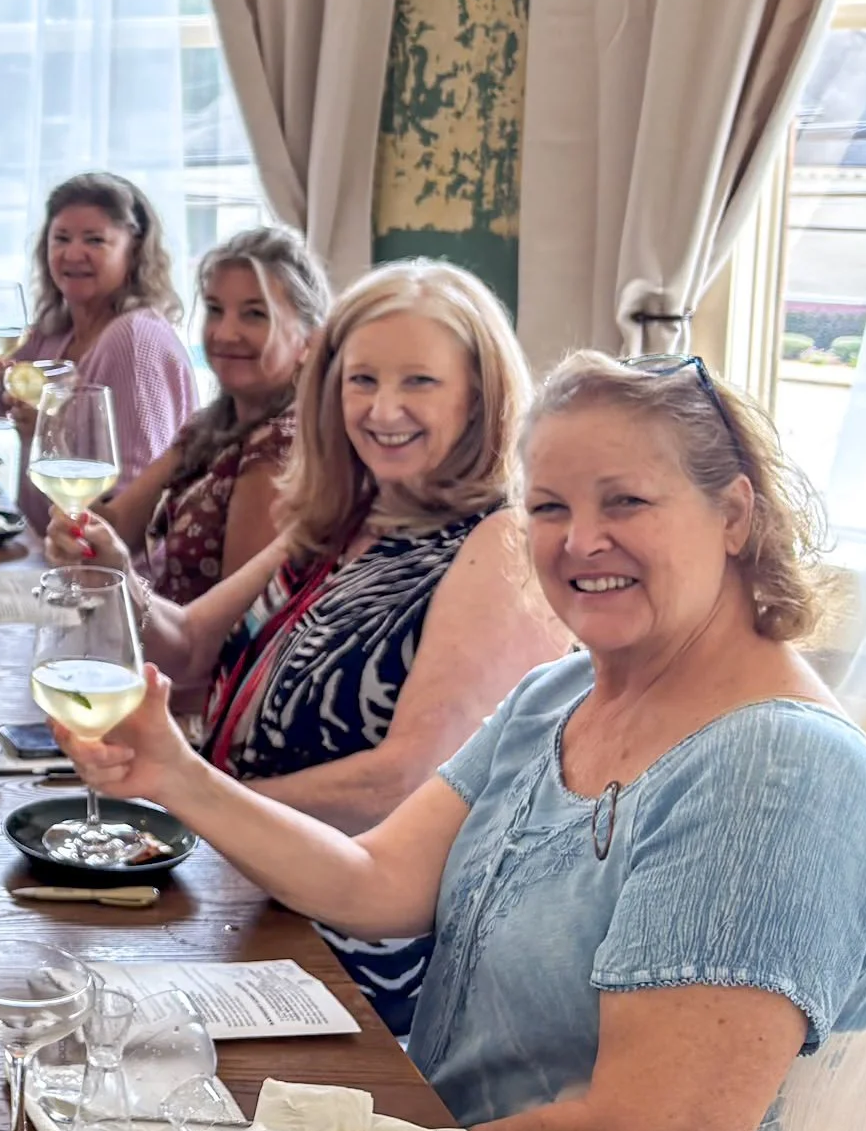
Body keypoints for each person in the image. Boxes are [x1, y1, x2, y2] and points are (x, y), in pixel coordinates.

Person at [56, 352, 866, 1131]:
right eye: (549, 508)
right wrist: (172, 771)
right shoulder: (559, 694)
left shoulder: (776, 765)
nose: (580, 542)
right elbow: (375, 882)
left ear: (734, 515)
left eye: (627, 503)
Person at [52, 258, 565, 1030]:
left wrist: (196, 806)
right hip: (247, 890)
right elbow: (189, 644)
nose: (383, 409)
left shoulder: (501, 542)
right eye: (362, 381)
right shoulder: (351, 513)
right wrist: (119, 576)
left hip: (352, 954)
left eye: (418, 382)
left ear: (479, 394)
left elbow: (399, 787)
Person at [46, 224, 329, 605]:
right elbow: (117, 527)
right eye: (215, 310)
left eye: (255, 314)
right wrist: (70, 525)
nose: (225, 333)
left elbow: (230, 628)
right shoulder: (213, 424)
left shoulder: (279, 448)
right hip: (160, 643)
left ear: (309, 340)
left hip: (189, 661)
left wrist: (127, 588)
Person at [0, 171, 197, 529]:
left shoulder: (134, 340)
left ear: (134, 251)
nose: (73, 253)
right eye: (61, 238)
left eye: (94, 240)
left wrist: (44, 436)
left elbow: (132, 512)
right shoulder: (54, 334)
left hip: (102, 571)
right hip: (45, 553)